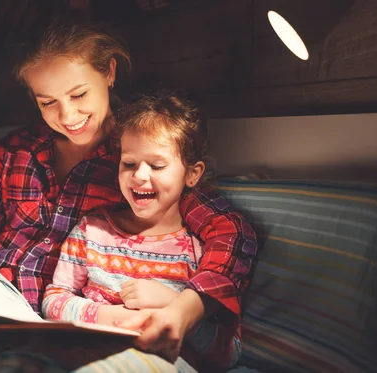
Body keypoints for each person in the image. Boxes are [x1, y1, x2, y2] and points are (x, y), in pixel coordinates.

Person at [0, 20, 257, 371]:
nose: (66, 116)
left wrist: (186, 307)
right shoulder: (17, 149)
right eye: (48, 102)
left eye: (79, 95)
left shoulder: (138, 156)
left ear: (109, 73)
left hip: (40, 315)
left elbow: (232, 233)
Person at [42, 92, 243, 371]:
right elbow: (53, 299)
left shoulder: (200, 254)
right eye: (129, 164)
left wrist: (172, 304)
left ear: (192, 174)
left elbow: (228, 353)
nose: (139, 176)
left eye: (157, 165)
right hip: (90, 356)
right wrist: (105, 315)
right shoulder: (92, 231)